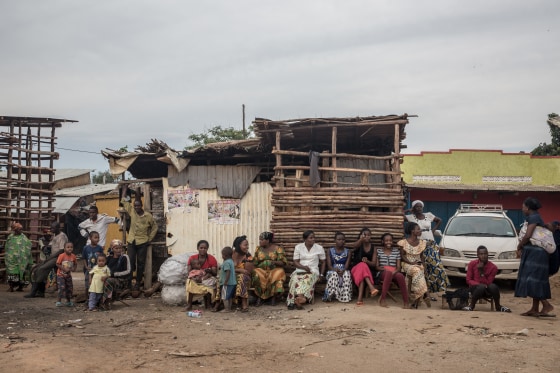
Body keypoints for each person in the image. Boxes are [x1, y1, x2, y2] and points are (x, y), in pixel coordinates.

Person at [515, 197, 555, 317]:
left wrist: (519, 246)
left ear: (527, 208)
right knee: (534, 279)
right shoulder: (534, 217)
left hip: (536, 255)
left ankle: (546, 305)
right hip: (534, 253)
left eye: (523, 207)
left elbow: (528, 235)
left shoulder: (533, 218)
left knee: (532, 280)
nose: (522, 209)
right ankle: (534, 308)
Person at [405, 200, 449, 298]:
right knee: (423, 268)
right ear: (413, 208)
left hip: (430, 243)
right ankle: (424, 292)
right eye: (416, 207)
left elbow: (439, 220)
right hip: (419, 244)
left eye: (420, 206)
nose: (419, 208)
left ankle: (432, 291)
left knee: (435, 267)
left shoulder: (428, 215)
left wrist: (432, 230)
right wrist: (408, 210)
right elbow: (399, 217)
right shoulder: (410, 217)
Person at [121, 185, 158, 289]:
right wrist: (124, 189)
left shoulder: (148, 216)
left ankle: (137, 282)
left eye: (138, 206)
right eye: (135, 206)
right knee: (130, 262)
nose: (136, 207)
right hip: (131, 242)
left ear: (141, 205)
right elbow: (124, 201)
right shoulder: (132, 212)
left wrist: (150, 238)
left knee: (141, 263)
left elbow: (155, 227)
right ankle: (129, 283)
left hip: (142, 242)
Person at [463, 245, 511, 312]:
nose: (483, 256)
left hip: (487, 290)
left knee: (493, 286)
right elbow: (468, 280)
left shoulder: (493, 267)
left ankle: (498, 306)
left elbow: (488, 282)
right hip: (475, 289)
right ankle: (471, 306)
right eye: (481, 254)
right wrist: (479, 285)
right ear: (478, 255)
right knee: (481, 287)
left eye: (485, 254)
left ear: (488, 254)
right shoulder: (472, 264)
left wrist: (481, 272)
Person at [287, 230, 326, 310]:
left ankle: (295, 300)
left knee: (306, 280)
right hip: (300, 270)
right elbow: (295, 261)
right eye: (311, 238)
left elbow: (323, 262)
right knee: (294, 280)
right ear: (305, 239)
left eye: (314, 237)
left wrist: (321, 275)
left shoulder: (319, 248)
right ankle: (299, 299)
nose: (313, 239)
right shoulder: (298, 247)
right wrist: (303, 267)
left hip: (313, 271)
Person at [397, 222, 430, 309]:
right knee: (417, 270)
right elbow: (402, 256)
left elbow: (421, 257)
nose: (420, 230)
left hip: (418, 264)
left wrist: (424, 266)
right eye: (418, 229)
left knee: (419, 270)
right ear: (412, 231)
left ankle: (416, 300)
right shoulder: (403, 242)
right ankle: (424, 294)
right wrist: (411, 263)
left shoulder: (422, 243)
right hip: (407, 264)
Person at [373, 232, 409, 309]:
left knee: (400, 276)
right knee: (388, 273)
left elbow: (398, 267)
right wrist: (387, 269)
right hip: (382, 273)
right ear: (383, 242)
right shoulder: (379, 251)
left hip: (394, 272)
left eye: (390, 240)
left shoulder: (396, 251)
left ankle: (406, 302)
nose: (388, 242)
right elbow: (377, 267)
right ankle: (383, 299)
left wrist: (394, 272)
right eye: (386, 240)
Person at [252, 231, 287, 306]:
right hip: (262, 270)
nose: (260, 241)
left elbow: (283, 262)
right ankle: (260, 297)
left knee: (279, 272)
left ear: (268, 240)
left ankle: (273, 297)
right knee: (255, 272)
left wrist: (273, 262)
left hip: (274, 270)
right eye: (259, 239)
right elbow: (255, 262)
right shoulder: (258, 249)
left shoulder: (278, 249)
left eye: (262, 239)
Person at [185, 240, 218, 311]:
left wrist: (209, 271)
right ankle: (189, 304)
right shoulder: (192, 258)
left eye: (205, 248)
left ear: (207, 249)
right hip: (195, 278)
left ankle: (209, 305)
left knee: (211, 282)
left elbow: (215, 273)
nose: (203, 249)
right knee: (190, 282)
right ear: (197, 248)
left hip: (206, 278)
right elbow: (189, 272)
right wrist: (195, 277)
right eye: (201, 248)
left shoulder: (211, 259)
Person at [350, 228, 379, 306]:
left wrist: (367, 262)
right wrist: (361, 240)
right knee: (362, 265)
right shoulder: (358, 245)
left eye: (368, 235)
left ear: (371, 236)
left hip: (368, 272)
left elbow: (373, 264)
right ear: (361, 236)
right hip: (355, 269)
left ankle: (360, 299)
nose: (366, 237)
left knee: (363, 267)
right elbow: (353, 245)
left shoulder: (374, 248)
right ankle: (371, 288)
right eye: (364, 235)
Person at [323, 232, 352, 303]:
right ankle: (329, 295)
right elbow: (329, 265)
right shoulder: (330, 251)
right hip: (332, 269)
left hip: (344, 269)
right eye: (339, 239)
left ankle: (344, 297)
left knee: (346, 275)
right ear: (335, 240)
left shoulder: (348, 251)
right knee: (334, 275)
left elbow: (347, 265)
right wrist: (335, 270)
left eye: (343, 239)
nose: (341, 241)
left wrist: (343, 270)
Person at [102, 239, 132, 306]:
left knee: (109, 280)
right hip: (109, 277)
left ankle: (106, 302)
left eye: (120, 248)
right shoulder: (109, 258)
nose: (118, 250)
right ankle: (96, 301)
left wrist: (112, 274)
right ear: (112, 249)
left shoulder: (124, 257)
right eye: (116, 248)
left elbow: (128, 271)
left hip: (122, 280)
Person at [5, 222, 32, 292]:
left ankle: (20, 287)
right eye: (19, 229)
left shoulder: (23, 237)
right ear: (15, 229)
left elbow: (28, 245)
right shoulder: (10, 237)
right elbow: (7, 247)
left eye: (21, 229)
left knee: (23, 272)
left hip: (22, 259)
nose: (21, 230)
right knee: (12, 272)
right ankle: (11, 287)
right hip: (12, 259)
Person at [232, 235, 253, 312]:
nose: (247, 247)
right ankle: (220, 303)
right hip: (232, 276)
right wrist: (239, 270)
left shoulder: (248, 256)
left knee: (242, 277)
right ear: (238, 245)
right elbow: (226, 268)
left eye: (247, 245)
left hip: (245, 278)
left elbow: (247, 272)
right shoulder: (230, 254)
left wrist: (235, 270)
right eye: (245, 245)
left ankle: (244, 303)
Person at [55, 242, 78, 307]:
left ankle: (68, 301)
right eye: (68, 247)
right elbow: (57, 264)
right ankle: (58, 301)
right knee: (61, 288)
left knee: (69, 288)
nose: (70, 248)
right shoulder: (61, 256)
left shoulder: (73, 256)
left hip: (68, 275)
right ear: (64, 248)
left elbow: (75, 263)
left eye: (71, 247)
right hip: (61, 275)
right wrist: (63, 269)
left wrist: (74, 268)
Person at [218, 246, 236, 312]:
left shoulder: (226, 263)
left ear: (224, 255)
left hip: (227, 283)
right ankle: (229, 308)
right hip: (233, 283)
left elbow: (228, 271)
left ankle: (226, 309)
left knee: (224, 297)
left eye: (222, 255)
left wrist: (225, 281)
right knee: (230, 297)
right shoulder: (231, 261)